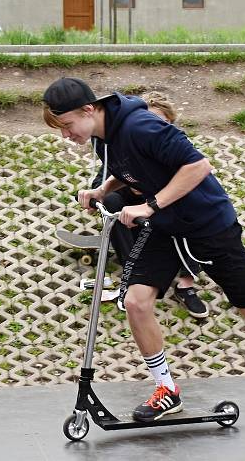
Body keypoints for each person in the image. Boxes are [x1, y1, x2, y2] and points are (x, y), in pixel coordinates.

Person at [43, 77, 245, 422]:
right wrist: (105, 189)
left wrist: (150, 206)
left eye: (67, 125)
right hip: (167, 227)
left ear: (89, 109)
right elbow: (132, 169)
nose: (66, 135)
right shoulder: (105, 137)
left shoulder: (142, 126)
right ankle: (167, 389)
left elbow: (197, 166)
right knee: (136, 302)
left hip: (209, 225)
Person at [87, 91, 209, 319]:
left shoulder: (173, 146)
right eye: (146, 121)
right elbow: (103, 178)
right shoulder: (123, 143)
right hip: (135, 209)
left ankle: (186, 283)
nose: (152, 128)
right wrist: (110, 188)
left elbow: (197, 172)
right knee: (113, 202)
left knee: (193, 209)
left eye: (160, 123)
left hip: (168, 207)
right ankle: (132, 270)